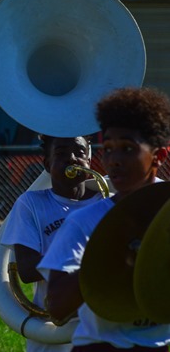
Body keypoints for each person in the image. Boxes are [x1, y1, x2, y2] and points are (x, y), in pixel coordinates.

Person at [37, 86, 170, 351]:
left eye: (127, 149)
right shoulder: (84, 221)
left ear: (159, 156)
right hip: (100, 345)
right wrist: (110, 249)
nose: (114, 160)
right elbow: (58, 307)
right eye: (108, 149)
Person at [1, 135, 104, 352]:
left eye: (80, 153)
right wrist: (89, 258)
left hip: (103, 320)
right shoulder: (31, 203)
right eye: (61, 154)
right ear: (47, 164)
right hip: (54, 327)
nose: (72, 159)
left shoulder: (108, 200)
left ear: (89, 158)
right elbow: (27, 270)